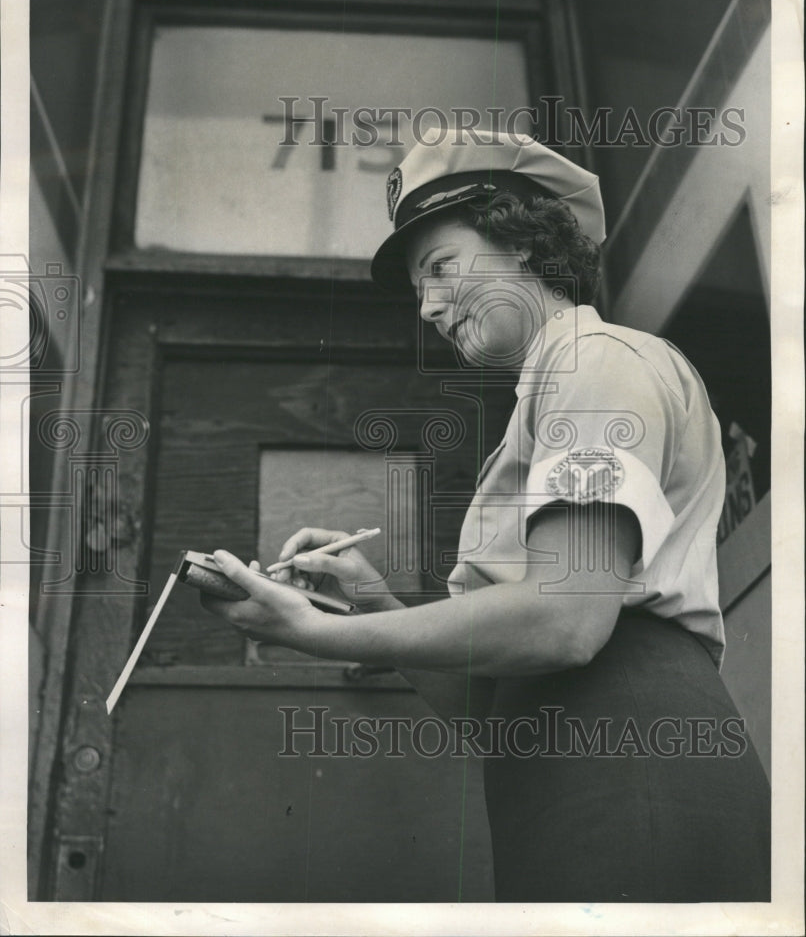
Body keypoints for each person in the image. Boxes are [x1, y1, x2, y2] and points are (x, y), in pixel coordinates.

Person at [203, 128, 770, 902]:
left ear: (527, 242)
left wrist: (312, 631)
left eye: (441, 268)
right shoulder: (545, 399)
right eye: (418, 292)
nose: (431, 308)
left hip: (630, 760)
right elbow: (482, 703)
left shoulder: (596, 363)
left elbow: (566, 618)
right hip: (565, 770)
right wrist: (371, 598)